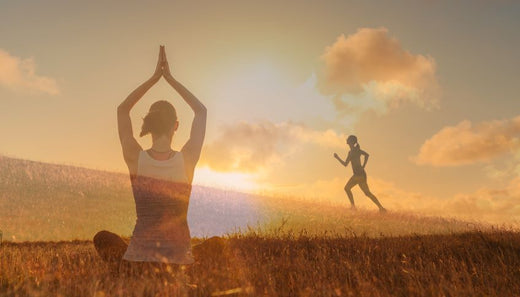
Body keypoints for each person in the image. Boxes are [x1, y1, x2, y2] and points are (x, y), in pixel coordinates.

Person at [93, 46, 222, 274]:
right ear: (176, 126)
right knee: (217, 244)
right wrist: (169, 78)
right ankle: (181, 272)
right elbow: (201, 111)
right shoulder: (187, 159)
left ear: (149, 125)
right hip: (179, 263)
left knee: (102, 238)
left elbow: (123, 110)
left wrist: (154, 78)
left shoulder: (135, 157)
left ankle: (135, 271)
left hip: (138, 263)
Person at [334, 135, 386, 212]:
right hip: (360, 175)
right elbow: (345, 164)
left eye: (348, 139)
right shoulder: (351, 151)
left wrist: (363, 165)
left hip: (359, 175)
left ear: (351, 141)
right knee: (367, 193)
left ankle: (353, 207)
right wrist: (337, 158)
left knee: (347, 188)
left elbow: (367, 155)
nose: (347, 140)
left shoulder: (355, 150)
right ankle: (381, 208)